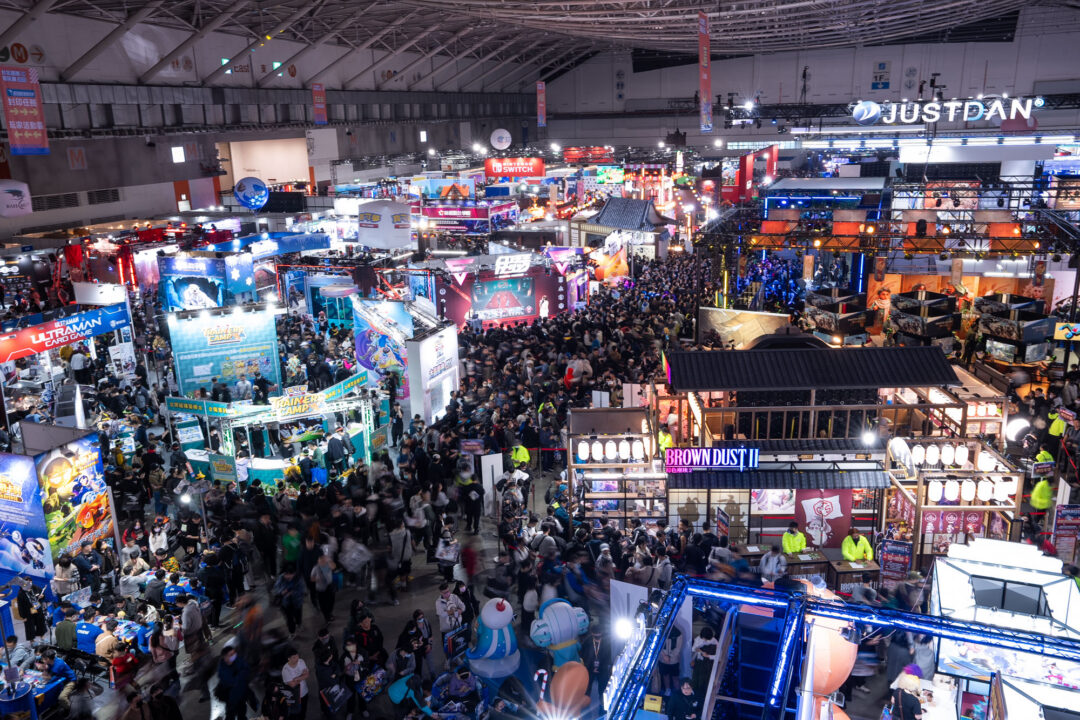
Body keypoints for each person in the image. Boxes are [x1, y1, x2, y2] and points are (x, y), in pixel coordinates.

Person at [273, 564, 307, 637]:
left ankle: (299, 624)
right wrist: (282, 592)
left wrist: (292, 593)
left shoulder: (298, 578)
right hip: (285, 603)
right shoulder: (281, 578)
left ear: (294, 573)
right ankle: (292, 632)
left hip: (297, 602)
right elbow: (276, 588)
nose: (288, 576)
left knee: (298, 615)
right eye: (286, 574)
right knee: (289, 619)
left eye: (290, 574)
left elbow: (302, 590)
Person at [217, 646, 250, 720]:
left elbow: (247, 669)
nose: (234, 655)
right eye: (231, 654)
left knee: (242, 711)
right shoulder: (222, 670)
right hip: (230, 696)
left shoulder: (237, 660)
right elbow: (232, 681)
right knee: (231, 713)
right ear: (225, 657)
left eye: (234, 653)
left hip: (241, 694)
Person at [580, 622, 612, 698]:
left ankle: (603, 700)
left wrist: (601, 667)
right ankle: (585, 699)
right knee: (587, 685)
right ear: (592, 634)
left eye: (599, 636)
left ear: (602, 633)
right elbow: (583, 654)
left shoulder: (606, 641)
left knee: (603, 686)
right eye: (595, 636)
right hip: (589, 667)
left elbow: (608, 656)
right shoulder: (587, 641)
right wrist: (589, 666)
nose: (597, 639)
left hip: (602, 667)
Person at [281, 647, 311, 719]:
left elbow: (307, 675)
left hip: (304, 692)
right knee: (295, 714)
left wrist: (297, 679)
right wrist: (302, 676)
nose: (297, 658)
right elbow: (292, 685)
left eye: (297, 655)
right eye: (294, 657)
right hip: (294, 696)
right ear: (289, 659)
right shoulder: (285, 670)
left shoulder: (301, 661)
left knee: (303, 712)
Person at [310, 551, 338, 622]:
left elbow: (334, 567)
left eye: (323, 560)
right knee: (323, 603)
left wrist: (330, 560)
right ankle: (327, 616)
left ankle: (329, 613)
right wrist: (317, 579)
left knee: (331, 601)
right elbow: (311, 578)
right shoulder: (315, 568)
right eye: (320, 561)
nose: (322, 562)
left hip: (329, 586)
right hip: (321, 589)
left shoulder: (328, 565)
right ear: (318, 561)